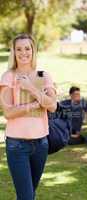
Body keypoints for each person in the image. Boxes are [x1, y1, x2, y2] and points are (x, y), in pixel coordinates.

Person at [0, 34, 57, 200]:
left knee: (28, 195)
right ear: (13, 52)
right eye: (18, 49)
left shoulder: (43, 75)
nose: (23, 52)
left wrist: (31, 88)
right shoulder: (8, 76)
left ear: (33, 50)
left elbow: (52, 106)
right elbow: (9, 112)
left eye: (27, 48)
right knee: (26, 197)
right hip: (17, 145)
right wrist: (35, 104)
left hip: (41, 144)